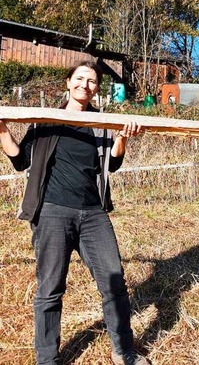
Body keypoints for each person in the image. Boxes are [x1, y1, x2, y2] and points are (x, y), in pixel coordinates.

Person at [0, 61, 148, 365]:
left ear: (96, 88)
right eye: (80, 78)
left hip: (93, 212)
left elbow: (113, 165)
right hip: (53, 211)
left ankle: (124, 352)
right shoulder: (47, 119)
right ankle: (47, 359)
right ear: (68, 82)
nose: (85, 84)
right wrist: (1, 128)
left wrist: (122, 137)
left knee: (114, 282)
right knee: (50, 287)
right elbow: (20, 160)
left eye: (92, 81)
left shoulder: (101, 120)